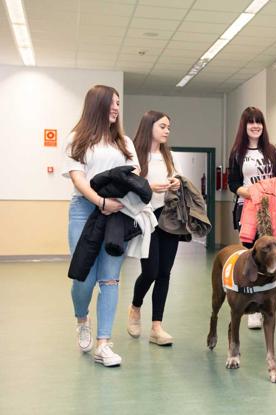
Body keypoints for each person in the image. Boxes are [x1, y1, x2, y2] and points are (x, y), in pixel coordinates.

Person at [63, 85, 139, 366]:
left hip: (117, 212)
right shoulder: (77, 139)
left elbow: (135, 174)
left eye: (118, 103)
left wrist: (117, 201)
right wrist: (99, 201)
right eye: (111, 103)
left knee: (110, 278)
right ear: (97, 105)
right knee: (83, 277)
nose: (116, 108)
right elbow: (77, 177)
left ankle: (103, 344)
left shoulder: (125, 143)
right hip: (84, 210)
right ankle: (82, 318)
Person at [227, 106, 276, 330]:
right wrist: (252, 193)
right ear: (244, 126)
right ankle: (252, 308)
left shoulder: (272, 150)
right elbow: (233, 184)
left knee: (272, 256)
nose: (256, 126)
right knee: (252, 257)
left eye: (259, 122)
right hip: (247, 210)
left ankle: (266, 304)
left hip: (272, 211)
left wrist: (269, 191)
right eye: (251, 122)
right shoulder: (237, 153)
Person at [127, 111, 182, 346]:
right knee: (150, 271)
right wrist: (149, 186)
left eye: (168, 126)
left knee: (164, 272)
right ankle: (135, 307)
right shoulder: (134, 155)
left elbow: (179, 177)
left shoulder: (168, 156)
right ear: (149, 126)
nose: (167, 130)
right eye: (162, 126)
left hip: (168, 218)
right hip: (145, 218)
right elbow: (128, 183)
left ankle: (156, 327)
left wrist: (177, 182)